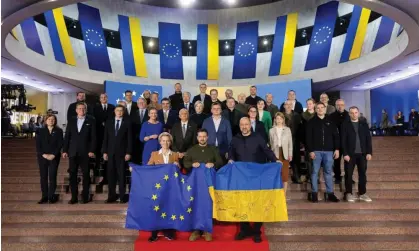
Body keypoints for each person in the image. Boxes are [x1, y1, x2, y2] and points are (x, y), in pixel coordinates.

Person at [229, 117, 279, 243]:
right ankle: (244, 230)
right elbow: (231, 152)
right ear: (239, 126)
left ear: (250, 125)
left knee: (258, 204)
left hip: (257, 177)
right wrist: (230, 159)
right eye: (242, 125)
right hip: (241, 177)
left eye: (246, 124)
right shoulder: (235, 139)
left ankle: (257, 231)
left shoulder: (258, 137)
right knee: (242, 204)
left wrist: (275, 160)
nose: (244, 127)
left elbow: (267, 151)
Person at [184, 129, 223, 242]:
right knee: (196, 204)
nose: (202, 138)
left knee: (207, 204)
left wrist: (213, 164)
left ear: (207, 137)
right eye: (200, 136)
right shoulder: (191, 150)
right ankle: (196, 230)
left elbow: (220, 162)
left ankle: (207, 230)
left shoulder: (213, 149)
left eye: (204, 136)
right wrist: (192, 164)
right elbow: (185, 163)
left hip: (209, 184)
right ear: (197, 138)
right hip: (195, 184)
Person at [146, 132, 180, 242]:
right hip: (158, 187)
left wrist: (177, 165)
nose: (165, 142)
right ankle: (154, 233)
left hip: (171, 187)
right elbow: (148, 168)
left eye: (167, 140)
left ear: (170, 142)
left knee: (169, 209)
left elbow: (178, 171)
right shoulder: (154, 154)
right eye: (163, 140)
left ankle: (168, 232)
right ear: (160, 142)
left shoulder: (174, 155)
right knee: (157, 208)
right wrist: (136, 170)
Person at [62, 102, 96, 204]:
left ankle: (85, 197)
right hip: (73, 152)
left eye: (83, 109)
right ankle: (74, 197)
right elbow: (67, 136)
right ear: (76, 110)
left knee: (86, 175)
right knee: (72, 175)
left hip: (86, 152)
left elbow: (94, 137)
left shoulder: (91, 120)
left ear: (86, 110)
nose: (82, 110)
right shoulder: (71, 120)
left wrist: (92, 150)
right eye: (80, 109)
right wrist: (65, 150)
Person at [305, 103, 340, 203]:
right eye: (318, 108)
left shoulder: (331, 121)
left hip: (329, 151)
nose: (320, 109)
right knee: (315, 172)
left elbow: (336, 136)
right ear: (315, 110)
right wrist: (310, 150)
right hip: (316, 151)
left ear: (325, 109)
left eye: (322, 108)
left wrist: (337, 149)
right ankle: (314, 193)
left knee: (328, 172)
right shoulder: (311, 122)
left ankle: (330, 194)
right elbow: (308, 138)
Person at [341, 106, 372, 202]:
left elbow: (368, 139)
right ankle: (349, 193)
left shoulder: (364, 124)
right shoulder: (345, 125)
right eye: (352, 113)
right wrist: (345, 153)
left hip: (362, 154)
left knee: (362, 174)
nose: (354, 114)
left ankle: (362, 193)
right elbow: (343, 141)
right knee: (348, 175)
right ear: (349, 114)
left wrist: (369, 152)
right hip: (350, 155)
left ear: (358, 113)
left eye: (355, 112)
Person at [102, 105, 132, 204]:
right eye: (117, 110)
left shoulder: (127, 123)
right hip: (110, 153)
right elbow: (105, 138)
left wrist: (128, 152)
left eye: (121, 111)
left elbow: (129, 139)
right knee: (111, 175)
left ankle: (122, 197)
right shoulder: (109, 123)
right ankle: (112, 196)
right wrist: (104, 151)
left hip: (122, 154)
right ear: (114, 111)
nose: (119, 112)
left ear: (123, 112)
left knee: (122, 175)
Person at [35, 114, 63, 204]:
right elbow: (38, 145)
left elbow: (60, 144)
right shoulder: (40, 131)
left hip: (54, 157)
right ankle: (44, 197)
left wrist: (53, 155)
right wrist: (44, 154)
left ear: (55, 121)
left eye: (53, 119)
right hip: (42, 157)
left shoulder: (59, 131)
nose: (51, 121)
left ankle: (51, 197)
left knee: (52, 177)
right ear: (45, 121)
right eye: (49, 119)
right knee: (43, 177)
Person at [93, 93, 115, 185]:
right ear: (99, 99)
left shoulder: (112, 107)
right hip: (98, 136)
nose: (104, 98)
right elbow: (94, 120)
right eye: (102, 97)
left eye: (105, 97)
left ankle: (108, 177)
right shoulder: (95, 108)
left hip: (110, 136)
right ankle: (96, 177)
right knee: (98, 158)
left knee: (108, 158)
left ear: (107, 98)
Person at [269, 112, 292, 195]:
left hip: (285, 153)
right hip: (275, 154)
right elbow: (271, 144)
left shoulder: (287, 129)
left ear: (283, 120)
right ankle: (276, 194)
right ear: (275, 120)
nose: (279, 120)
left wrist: (290, 154)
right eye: (277, 118)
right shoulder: (271, 130)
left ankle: (284, 194)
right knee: (276, 174)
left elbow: (290, 143)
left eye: (280, 118)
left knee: (285, 175)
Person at [329, 99, 350, 184]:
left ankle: (349, 177)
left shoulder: (349, 115)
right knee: (336, 161)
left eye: (341, 104)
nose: (340, 106)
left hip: (347, 142)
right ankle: (337, 177)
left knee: (348, 161)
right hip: (336, 142)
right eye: (338, 105)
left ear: (344, 105)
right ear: (335, 106)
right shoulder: (331, 116)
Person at [284, 100, 302, 184]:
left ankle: (296, 176)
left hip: (295, 140)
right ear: (284, 106)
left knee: (296, 159)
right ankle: (283, 178)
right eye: (286, 104)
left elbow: (300, 129)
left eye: (290, 104)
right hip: (284, 141)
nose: (288, 106)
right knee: (284, 160)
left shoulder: (297, 115)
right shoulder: (281, 115)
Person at [301, 98, 316, 182]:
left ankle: (316, 176)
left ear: (314, 104)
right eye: (307, 104)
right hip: (307, 140)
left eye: (310, 103)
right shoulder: (303, 115)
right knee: (308, 160)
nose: (309, 105)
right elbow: (302, 129)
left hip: (317, 140)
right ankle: (310, 176)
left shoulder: (318, 114)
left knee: (316, 161)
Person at [131, 97, 149, 164]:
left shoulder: (150, 114)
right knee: (136, 159)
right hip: (135, 141)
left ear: (146, 103)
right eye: (139, 103)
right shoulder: (132, 114)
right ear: (137, 104)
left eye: (142, 102)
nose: (141, 104)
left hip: (147, 140)